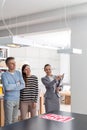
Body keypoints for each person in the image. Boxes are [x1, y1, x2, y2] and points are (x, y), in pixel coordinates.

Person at [1, 57, 25, 125]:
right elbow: (7, 87)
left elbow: (23, 85)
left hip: (17, 99)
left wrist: (13, 86)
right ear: (7, 65)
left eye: (14, 63)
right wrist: (17, 84)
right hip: (9, 100)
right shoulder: (4, 75)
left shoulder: (18, 73)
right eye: (12, 63)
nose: (14, 65)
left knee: (15, 120)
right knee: (8, 121)